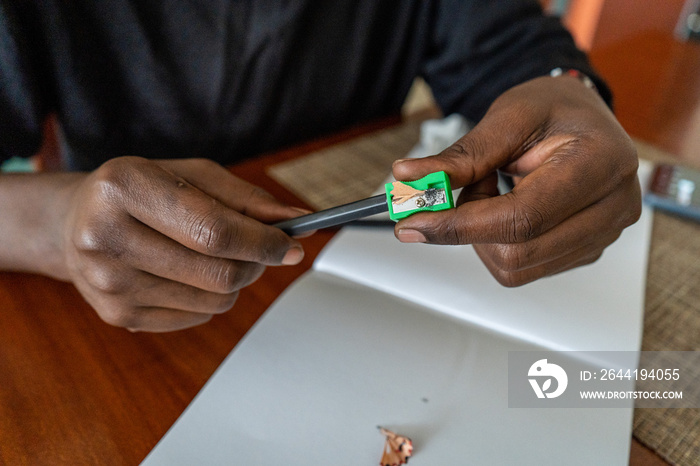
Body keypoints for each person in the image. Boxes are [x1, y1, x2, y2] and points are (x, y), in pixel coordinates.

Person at [0, 1, 641, 332]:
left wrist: (570, 89)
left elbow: (518, 48)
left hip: (360, 288)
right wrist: (57, 223)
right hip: (99, 312)